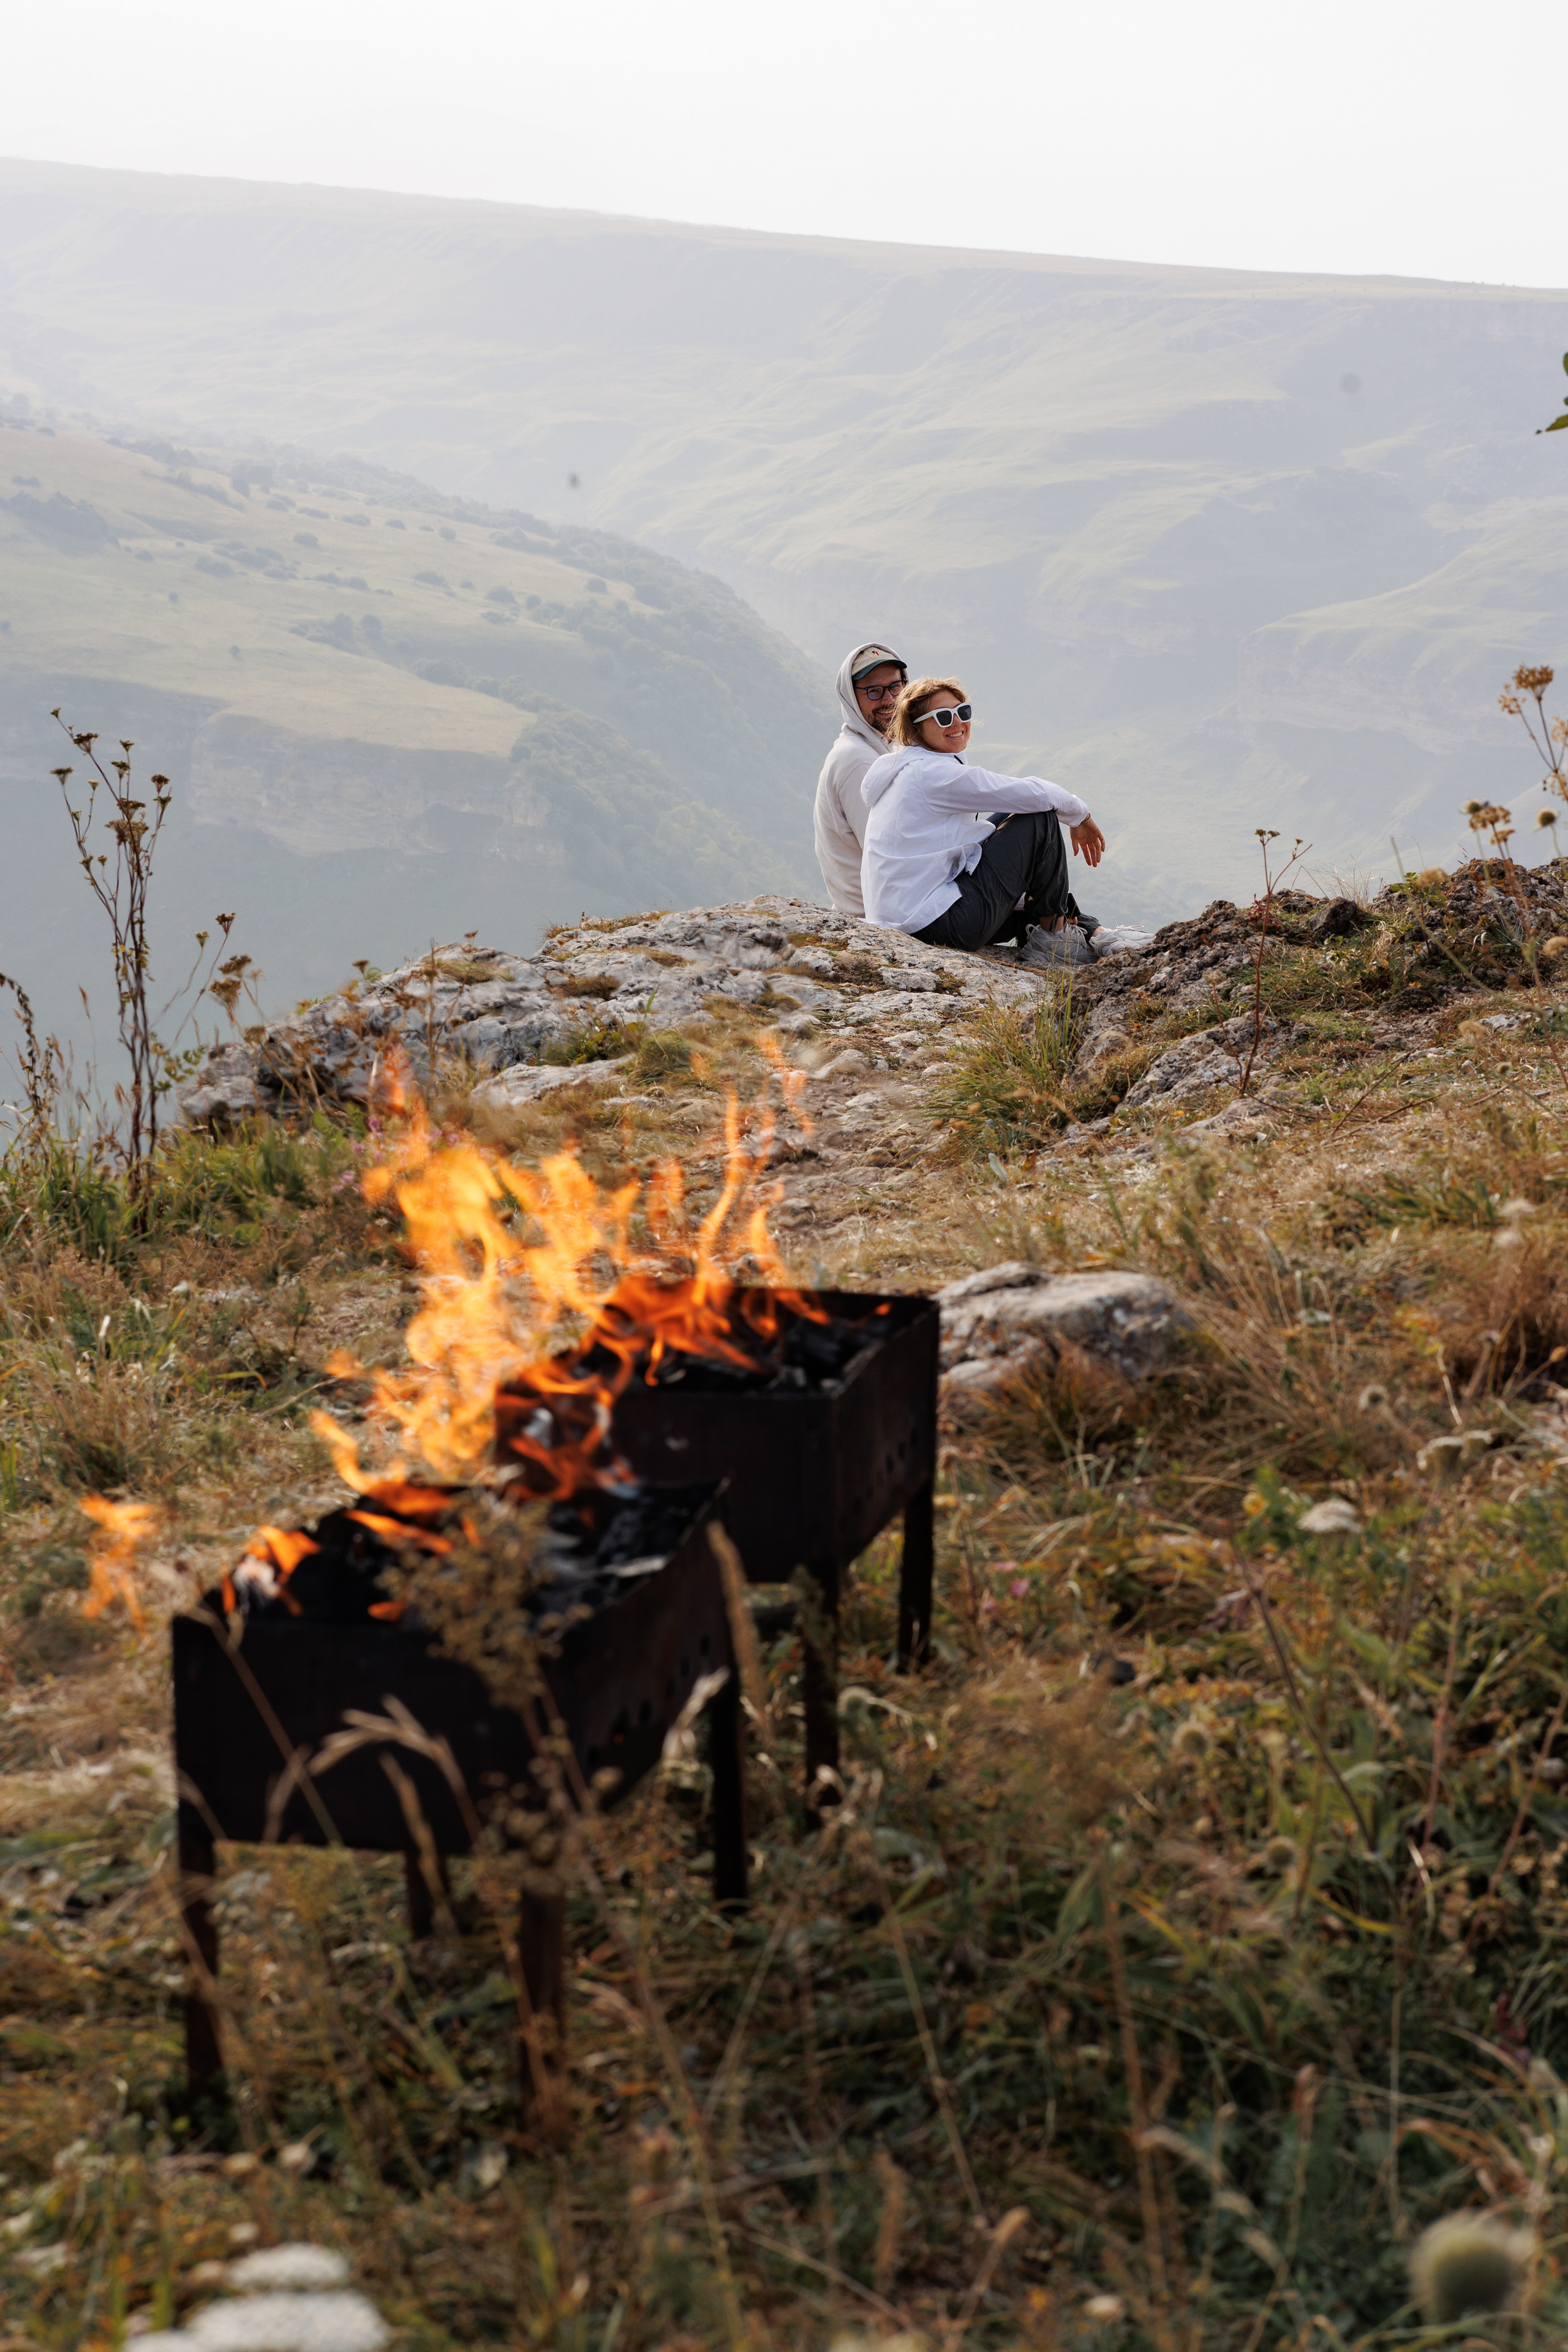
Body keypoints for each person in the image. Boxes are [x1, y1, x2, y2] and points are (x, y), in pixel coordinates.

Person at [859, 676, 1106, 963]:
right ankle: (1056, 942)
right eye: (942, 717)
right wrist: (1081, 815)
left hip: (916, 916)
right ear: (916, 727)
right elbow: (1033, 793)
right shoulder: (932, 775)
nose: (957, 723)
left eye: (962, 712)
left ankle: (1086, 933)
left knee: (1017, 825)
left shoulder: (903, 766)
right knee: (1038, 818)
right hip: (933, 925)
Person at [813, 642, 907, 915]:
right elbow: (891, 856)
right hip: (881, 913)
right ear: (851, 698)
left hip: (888, 904)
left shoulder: (880, 747)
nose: (889, 700)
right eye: (874, 691)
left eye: (895, 687)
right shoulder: (859, 760)